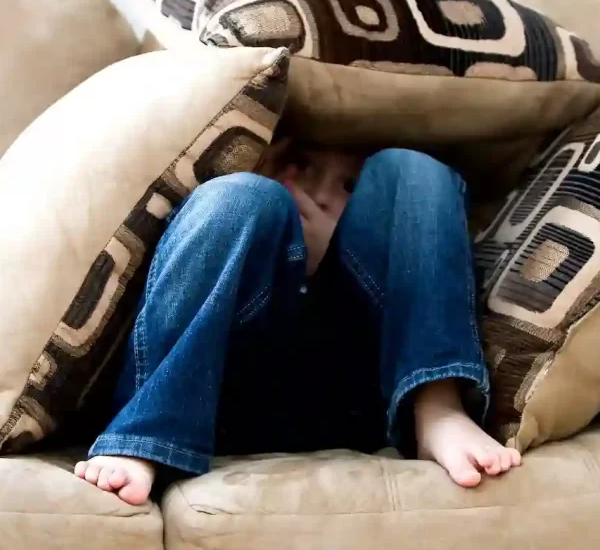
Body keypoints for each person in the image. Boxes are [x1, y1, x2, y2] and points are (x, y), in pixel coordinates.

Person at [74, 132, 521, 505]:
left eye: (350, 185)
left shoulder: (377, 230)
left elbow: (398, 219)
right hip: (218, 389)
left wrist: (334, 250)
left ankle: (437, 405)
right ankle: (145, 437)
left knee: (413, 169)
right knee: (239, 196)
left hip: (350, 393)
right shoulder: (256, 204)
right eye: (302, 165)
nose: (320, 195)